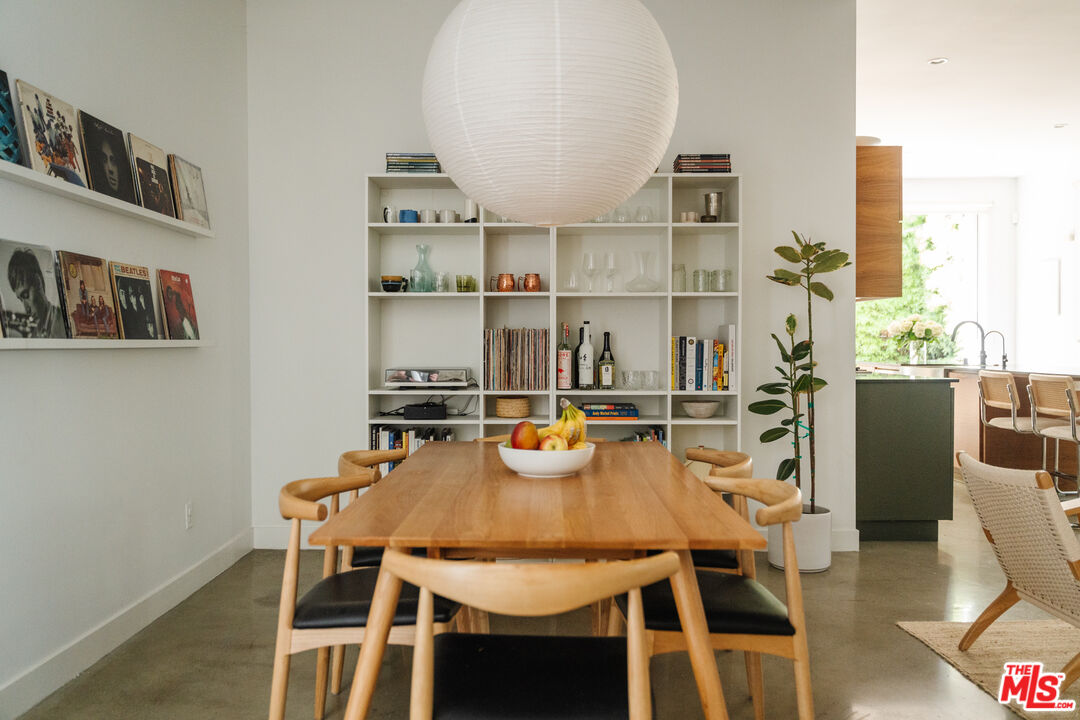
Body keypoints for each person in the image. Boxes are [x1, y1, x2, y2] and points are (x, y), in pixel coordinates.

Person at [6, 248, 65, 338]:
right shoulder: (31, 335)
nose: (26, 309)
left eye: (25, 295)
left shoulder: (64, 323)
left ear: (38, 282)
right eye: (21, 300)